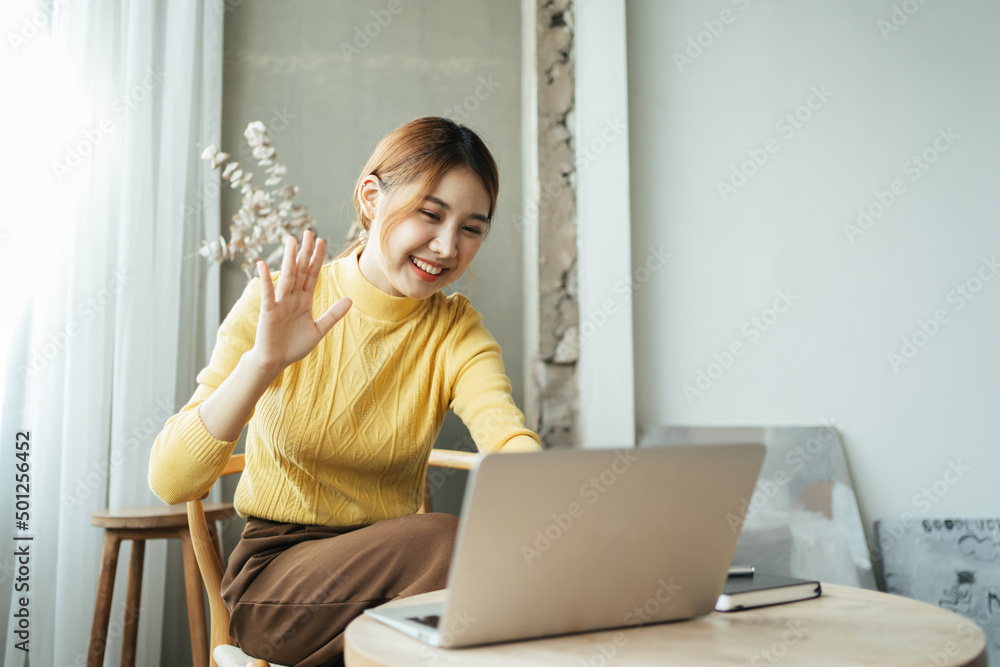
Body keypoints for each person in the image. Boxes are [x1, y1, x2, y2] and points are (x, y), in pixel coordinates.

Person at [148, 116, 541, 666]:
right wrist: (263, 362)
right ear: (371, 197)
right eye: (430, 214)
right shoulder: (282, 303)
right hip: (278, 586)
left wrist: (557, 501)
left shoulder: (456, 330)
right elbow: (171, 479)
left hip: (398, 586)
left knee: (473, 605)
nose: (447, 246)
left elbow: (505, 433)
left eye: (472, 228)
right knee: (452, 545)